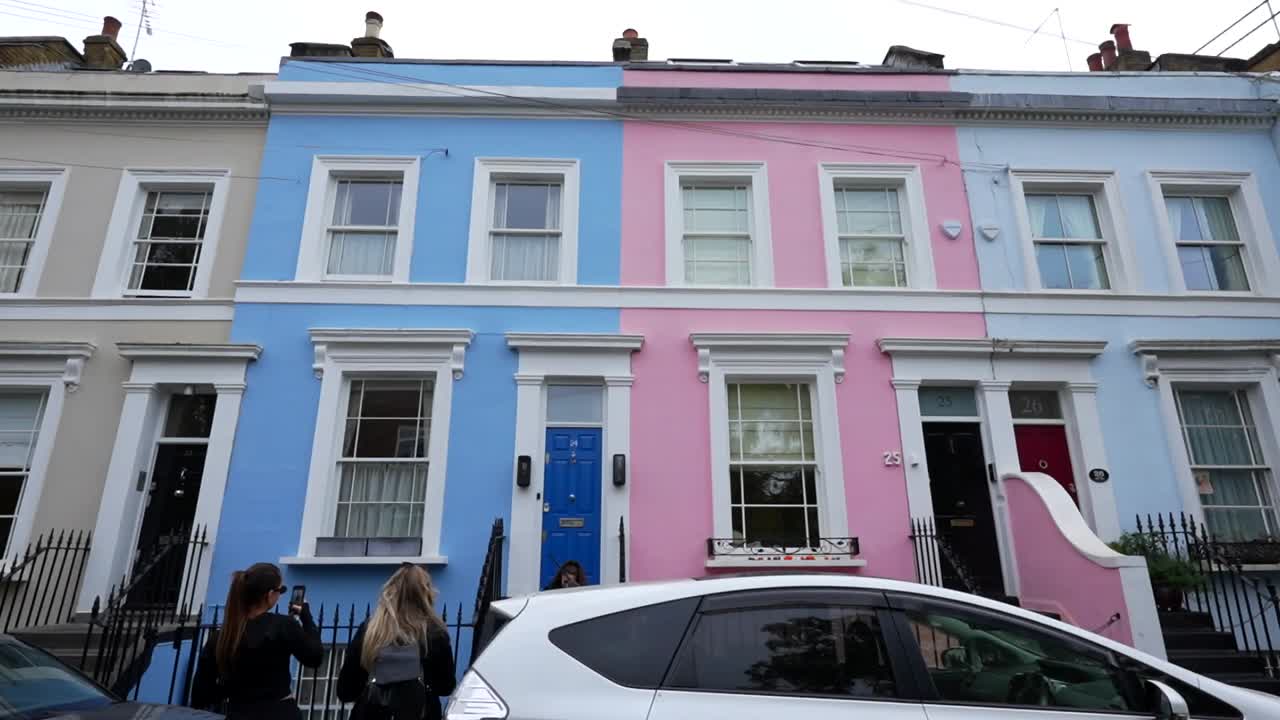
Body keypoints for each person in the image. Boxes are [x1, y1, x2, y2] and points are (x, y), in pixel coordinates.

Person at [191, 562, 323, 719]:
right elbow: (315, 657)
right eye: (281, 590)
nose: (280, 595)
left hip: (238, 712)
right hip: (279, 713)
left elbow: (201, 694)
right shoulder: (283, 626)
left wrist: (233, 691)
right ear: (269, 594)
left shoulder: (221, 636)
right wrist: (307, 618)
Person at [337, 564, 456, 720]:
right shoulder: (435, 633)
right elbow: (445, 687)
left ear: (390, 592)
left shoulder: (369, 631)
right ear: (425, 595)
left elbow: (346, 691)